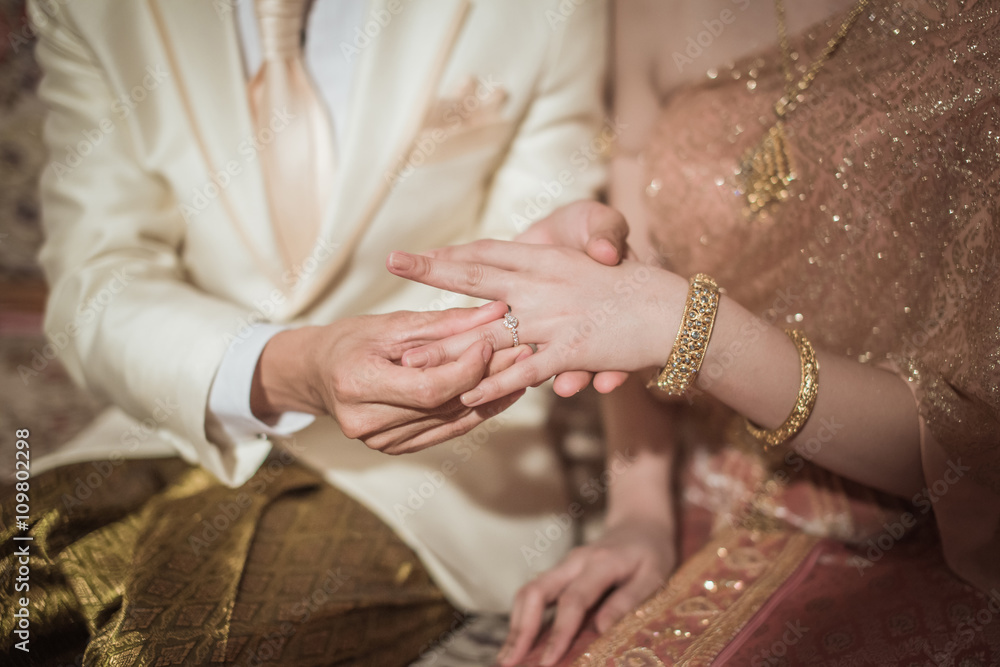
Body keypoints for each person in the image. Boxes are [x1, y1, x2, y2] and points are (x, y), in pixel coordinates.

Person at [0, 1, 623, 664]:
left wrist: (543, 285)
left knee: (146, 651)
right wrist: (294, 366)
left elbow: (533, 253)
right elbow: (98, 282)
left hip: (436, 465)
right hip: (175, 408)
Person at [387, 0, 1000, 663]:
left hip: (925, 531)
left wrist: (693, 330)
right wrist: (639, 513)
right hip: (707, 492)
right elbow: (624, 286)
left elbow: (970, 448)